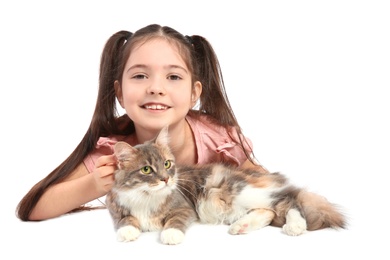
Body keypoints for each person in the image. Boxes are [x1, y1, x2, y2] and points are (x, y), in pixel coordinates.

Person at [16, 24, 268, 221]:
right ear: (120, 93)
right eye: (139, 75)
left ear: (194, 93)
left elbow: (266, 183)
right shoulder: (116, 150)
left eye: (173, 76)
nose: (156, 88)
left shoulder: (218, 138)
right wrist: (94, 183)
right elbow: (34, 208)